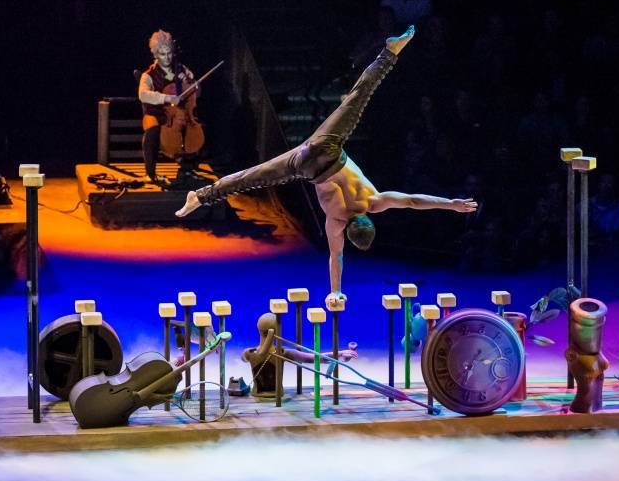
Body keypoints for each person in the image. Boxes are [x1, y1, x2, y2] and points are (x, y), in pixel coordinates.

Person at [176, 27, 477, 308]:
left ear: (369, 219)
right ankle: (201, 196)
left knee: (358, 97)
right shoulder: (336, 222)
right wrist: (335, 290)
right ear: (349, 229)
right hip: (305, 166)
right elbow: (336, 257)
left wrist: (451, 204)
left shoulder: (373, 201)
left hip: (327, 147)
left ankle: (389, 53)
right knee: (251, 178)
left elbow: (412, 201)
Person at [137, 30, 196, 184]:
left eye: (169, 53)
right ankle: (150, 173)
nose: (167, 58)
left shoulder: (181, 68)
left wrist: (189, 82)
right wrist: (167, 98)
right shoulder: (148, 75)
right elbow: (143, 95)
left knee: (192, 129)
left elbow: (195, 90)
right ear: (156, 54)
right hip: (155, 113)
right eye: (163, 54)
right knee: (152, 130)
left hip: (178, 114)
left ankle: (187, 169)